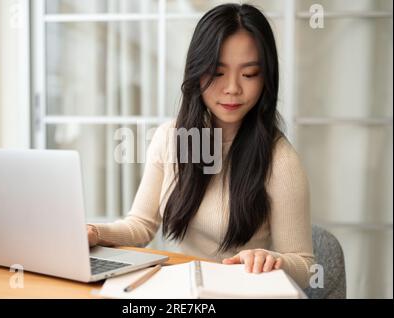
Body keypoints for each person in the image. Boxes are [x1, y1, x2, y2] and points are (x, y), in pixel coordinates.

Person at [87, 3, 315, 288]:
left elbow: (305, 265)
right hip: (184, 289)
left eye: (250, 74)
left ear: (266, 79)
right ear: (197, 72)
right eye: (218, 73)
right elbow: (140, 226)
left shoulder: (279, 159)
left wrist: (272, 259)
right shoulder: (169, 138)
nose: (232, 88)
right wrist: (93, 233)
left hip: (242, 291)